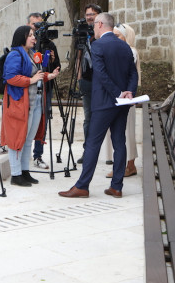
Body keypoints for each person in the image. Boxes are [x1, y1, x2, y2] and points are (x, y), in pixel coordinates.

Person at [58, 12, 138, 199]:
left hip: (104, 102)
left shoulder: (98, 45)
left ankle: (82, 186)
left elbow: (101, 75)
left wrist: (118, 93)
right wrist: (128, 92)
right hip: (122, 103)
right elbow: (132, 74)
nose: (93, 28)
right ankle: (116, 187)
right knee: (120, 143)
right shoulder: (125, 46)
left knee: (93, 143)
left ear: (101, 24)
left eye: (94, 25)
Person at [2, 25, 59, 186]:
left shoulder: (32, 54)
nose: (34, 38)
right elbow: (10, 77)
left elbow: (36, 75)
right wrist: (31, 81)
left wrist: (50, 75)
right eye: (31, 35)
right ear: (22, 37)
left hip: (35, 103)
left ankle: (24, 171)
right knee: (17, 139)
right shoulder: (15, 55)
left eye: (34, 35)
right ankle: (15, 174)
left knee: (28, 139)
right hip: (20, 104)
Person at [27, 12, 61, 170]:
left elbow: (56, 68)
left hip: (45, 89)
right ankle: (19, 151)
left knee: (43, 121)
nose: (38, 29)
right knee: (25, 120)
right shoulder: (25, 45)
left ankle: (37, 155)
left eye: (40, 25)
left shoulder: (49, 44)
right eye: (35, 25)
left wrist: (52, 61)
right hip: (27, 89)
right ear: (28, 26)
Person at [106, 22, 139, 180]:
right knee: (121, 133)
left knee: (125, 132)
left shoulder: (130, 51)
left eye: (117, 36)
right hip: (120, 97)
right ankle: (125, 165)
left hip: (125, 98)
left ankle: (127, 166)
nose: (114, 39)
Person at [78, 3, 102, 162]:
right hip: (86, 81)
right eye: (87, 14)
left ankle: (102, 151)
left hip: (101, 82)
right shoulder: (82, 34)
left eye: (92, 14)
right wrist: (79, 77)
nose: (89, 17)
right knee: (88, 118)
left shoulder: (102, 34)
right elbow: (78, 57)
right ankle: (87, 152)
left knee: (101, 118)